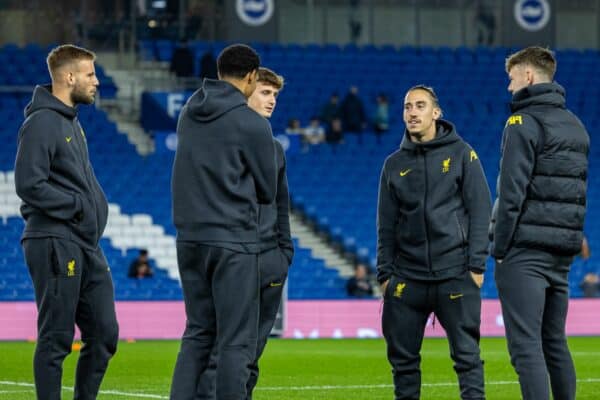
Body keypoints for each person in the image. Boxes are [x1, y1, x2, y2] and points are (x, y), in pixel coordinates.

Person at [170, 44, 277, 400]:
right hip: (233, 242)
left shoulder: (189, 111)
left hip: (189, 239)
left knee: (197, 333)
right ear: (250, 77)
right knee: (235, 341)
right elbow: (267, 189)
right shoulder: (251, 123)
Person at [14, 44, 119, 400]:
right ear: (69, 76)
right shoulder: (42, 122)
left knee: (105, 334)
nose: (96, 82)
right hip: (55, 239)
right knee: (56, 338)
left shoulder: (70, 122)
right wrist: (77, 206)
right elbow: (29, 184)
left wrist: (91, 208)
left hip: (84, 242)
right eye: (90, 74)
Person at [377, 85, 490, 400]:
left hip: (454, 273)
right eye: (407, 106)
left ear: (436, 113)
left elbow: (481, 210)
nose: (412, 112)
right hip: (407, 279)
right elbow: (385, 225)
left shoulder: (462, 153)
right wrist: (385, 276)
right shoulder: (393, 164)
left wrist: (476, 266)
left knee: (467, 360)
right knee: (403, 365)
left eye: (420, 106)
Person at [490, 46, 589, 400]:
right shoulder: (576, 126)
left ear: (528, 76)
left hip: (525, 251)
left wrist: (499, 248)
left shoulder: (523, 122)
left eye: (512, 78)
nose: (509, 87)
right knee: (554, 342)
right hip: (561, 253)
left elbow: (511, 192)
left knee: (526, 347)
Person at [196, 66, 294, 400]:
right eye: (265, 93)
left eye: (275, 96)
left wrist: (284, 255)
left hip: (269, 262)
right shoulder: (221, 144)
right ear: (246, 91)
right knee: (223, 350)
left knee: (252, 355)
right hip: (234, 258)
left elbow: (282, 206)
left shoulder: (275, 150)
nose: (272, 101)